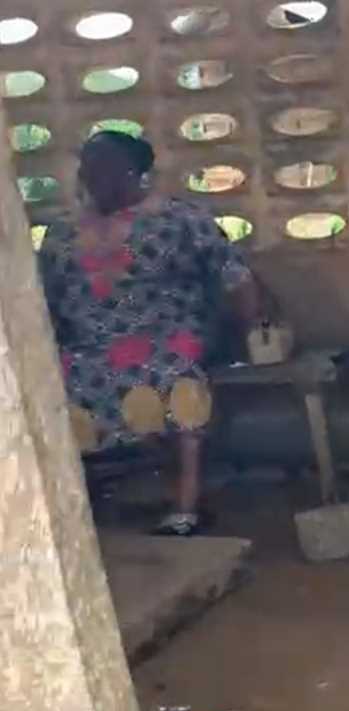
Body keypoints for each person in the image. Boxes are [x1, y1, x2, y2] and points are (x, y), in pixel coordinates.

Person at [37, 131, 263, 535]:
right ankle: (71, 513)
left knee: (175, 381)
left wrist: (246, 335)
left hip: (168, 338)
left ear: (135, 172)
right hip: (87, 346)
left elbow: (235, 278)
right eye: (88, 166)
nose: (93, 176)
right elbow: (44, 299)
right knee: (53, 386)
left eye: (105, 166)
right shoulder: (61, 233)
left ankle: (184, 507)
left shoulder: (181, 219)